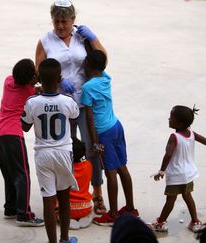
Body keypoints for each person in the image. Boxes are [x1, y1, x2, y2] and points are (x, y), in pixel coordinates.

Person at [35, 0, 108, 215]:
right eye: (56, 22)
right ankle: (63, 195)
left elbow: (103, 60)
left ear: (73, 20)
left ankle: (96, 192)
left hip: (86, 104)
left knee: (90, 148)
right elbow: (39, 71)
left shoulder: (82, 37)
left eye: (64, 21)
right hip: (60, 105)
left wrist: (93, 38)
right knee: (63, 150)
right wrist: (58, 81)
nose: (60, 26)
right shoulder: (45, 41)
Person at [21, 58, 79, 243]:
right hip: (63, 152)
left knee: (48, 200)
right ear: (60, 78)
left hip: (43, 154)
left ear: (38, 78)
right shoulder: (67, 100)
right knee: (64, 199)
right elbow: (73, 118)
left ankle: (52, 242)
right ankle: (64, 239)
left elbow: (25, 126)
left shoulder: (32, 102)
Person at [80, 50, 138, 226]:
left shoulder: (87, 88)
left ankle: (113, 215)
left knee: (111, 172)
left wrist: (95, 142)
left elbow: (89, 117)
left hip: (104, 132)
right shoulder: (107, 78)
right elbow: (101, 65)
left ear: (88, 65)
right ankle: (130, 208)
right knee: (122, 168)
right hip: (116, 126)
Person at [151, 105, 206, 233]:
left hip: (176, 174)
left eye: (171, 118)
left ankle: (160, 223)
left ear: (179, 123)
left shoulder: (174, 137)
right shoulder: (191, 134)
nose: (168, 119)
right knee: (187, 196)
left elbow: (168, 155)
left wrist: (161, 171)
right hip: (188, 173)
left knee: (170, 199)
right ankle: (195, 221)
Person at [0, 58, 44, 227]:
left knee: (9, 174)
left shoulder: (8, 81)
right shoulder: (29, 93)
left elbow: (29, 82)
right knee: (23, 175)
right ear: (30, 79)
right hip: (13, 134)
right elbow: (41, 90)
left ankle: (11, 208)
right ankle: (24, 214)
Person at [67, 137, 93, 230]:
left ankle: (66, 220)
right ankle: (85, 217)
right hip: (85, 206)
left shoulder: (65, 169)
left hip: (68, 209)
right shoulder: (88, 165)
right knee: (89, 205)